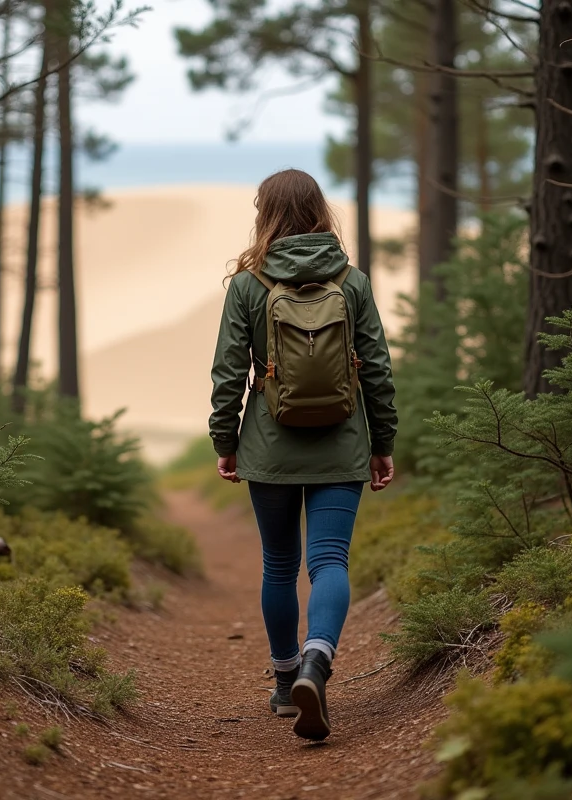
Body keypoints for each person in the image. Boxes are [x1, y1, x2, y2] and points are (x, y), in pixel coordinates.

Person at [208, 169, 398, 741]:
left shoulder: (248, 285)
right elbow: (379, 372)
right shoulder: (353, 281)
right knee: (329, 562)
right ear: (321, 211)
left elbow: (227, 375)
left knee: (280, 565)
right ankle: (318, 662)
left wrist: (226, 441)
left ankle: (287, 681)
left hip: (269, 448)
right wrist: (382, 443)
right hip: (341, 445)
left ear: (265, 213)